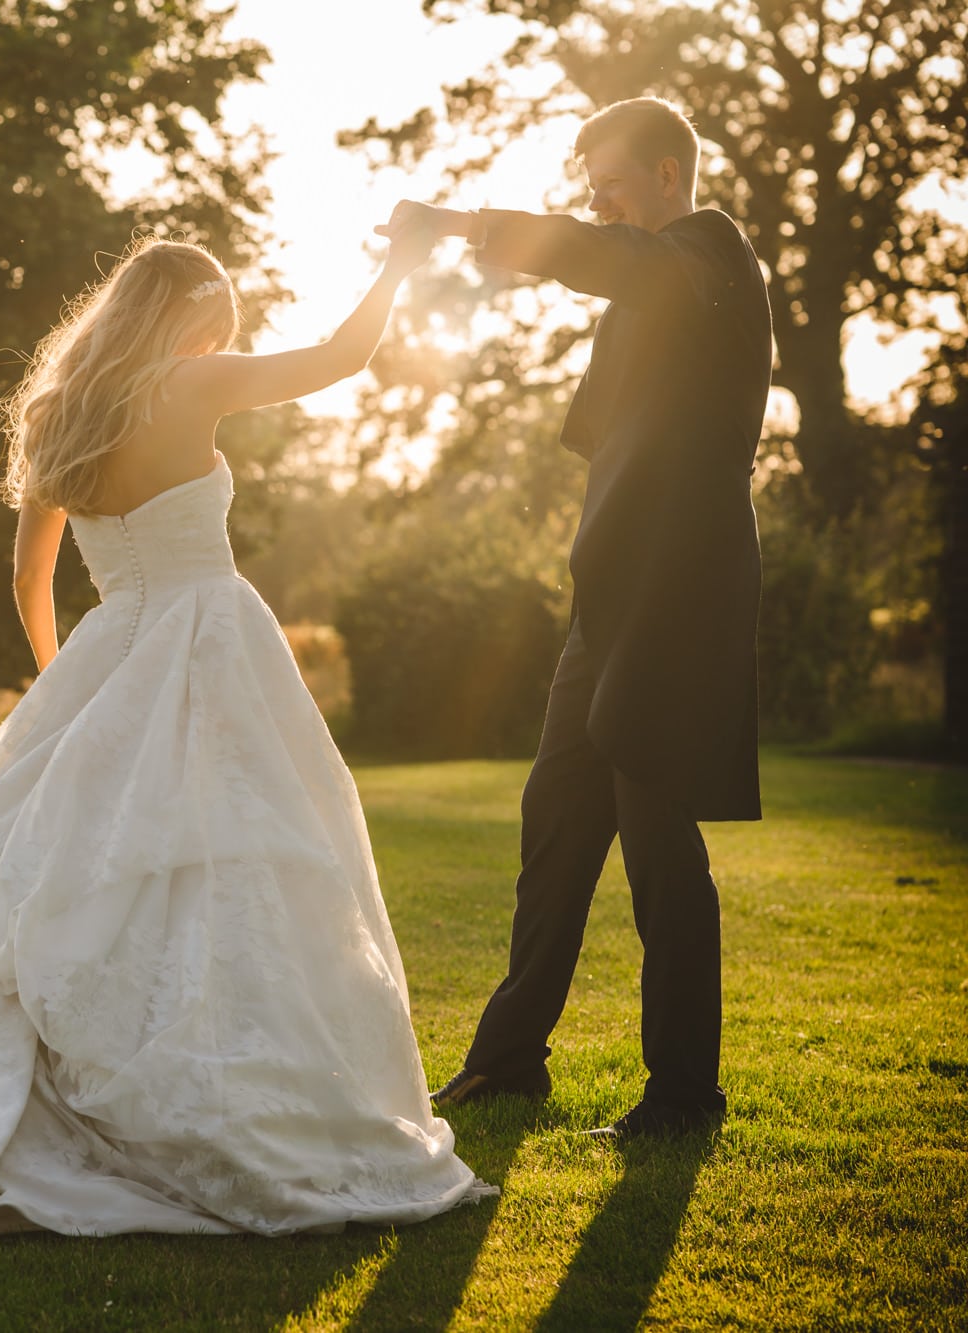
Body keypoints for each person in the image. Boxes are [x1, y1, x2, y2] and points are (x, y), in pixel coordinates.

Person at [0, 229, 494, 1236]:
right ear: (191, 316)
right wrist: (399, 260)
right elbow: (343, 358)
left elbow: (26, 577)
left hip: (111, 643)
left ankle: (57, 1093)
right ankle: (236, 1097)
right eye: (219, 322)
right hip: (209, 636)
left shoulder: (58, 410)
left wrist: (66, 689)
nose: (223, 338)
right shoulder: (191, 383)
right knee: (242, 856)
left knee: (89, 870)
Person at [382, 96, 773, 1139]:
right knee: (553, 831)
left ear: (663, 173)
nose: (595, 202)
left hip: (673, 612)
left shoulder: (708, 257)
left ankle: (684, 1093)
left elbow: (604, 260)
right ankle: (509, 1062)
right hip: (604, 613)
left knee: (657, 851)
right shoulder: (656, 286)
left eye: (607, 182)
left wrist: (465, 224)